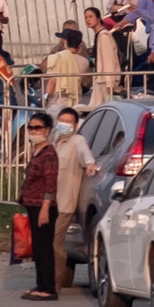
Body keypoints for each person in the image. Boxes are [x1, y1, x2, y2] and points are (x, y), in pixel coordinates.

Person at [53, 105, 98, 285]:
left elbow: (85, 153)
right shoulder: (55, 141)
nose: (64, 124)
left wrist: (89, 164)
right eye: (61, 121)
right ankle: (50, 280)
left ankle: (56, 282)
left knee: (55, 243)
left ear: (76, 126)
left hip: (65, 202)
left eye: (68, 122)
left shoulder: (77, 140)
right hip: (49, 202)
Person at [19, 113, 60, 300]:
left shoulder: (49, 154)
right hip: (32, 205)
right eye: (31, 127)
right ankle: (40, 283)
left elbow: (51, 184)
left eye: (38, 128)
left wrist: (45, 208)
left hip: (43, 207)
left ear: (47, 130)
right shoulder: (37, 152)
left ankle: (48, 287)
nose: (34, 131)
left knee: (44, 248)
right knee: (38, 248)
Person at [41, 28, 89, 106]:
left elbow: (52, 81)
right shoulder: (85, 62)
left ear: (66, 42)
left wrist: (46, 97)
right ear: (79, 45)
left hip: (57, 101)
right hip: (75, 100)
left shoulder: (57, 57)